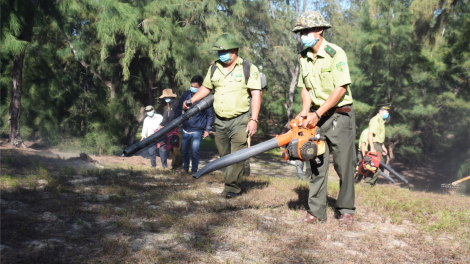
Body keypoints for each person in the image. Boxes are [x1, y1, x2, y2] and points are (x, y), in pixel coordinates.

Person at [292, 10, 356, 226]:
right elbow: (306, 88)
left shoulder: (335, 53)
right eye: (300, 32)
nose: (303, 35)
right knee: (317, 162)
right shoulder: (304, 56)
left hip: (339, 116)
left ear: (319, 30)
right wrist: (305, 111)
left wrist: (318, 114)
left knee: (343, 164)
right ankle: (316, 211)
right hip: (316, 117)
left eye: (307, 31)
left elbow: (340, 89)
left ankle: (346, 208)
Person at [183, 33, 262, 198]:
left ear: (234, 50)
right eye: (219, 52)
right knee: (224, 155)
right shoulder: (214, 67)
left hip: (240, 119)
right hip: (220, 120)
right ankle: (231, 180)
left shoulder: (248, 68)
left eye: (224, 51)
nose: (221, 55)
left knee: (238, 154)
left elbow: (256, 94)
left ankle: (231, 188)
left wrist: (253, 119)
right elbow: (206, 88)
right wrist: (192, 100)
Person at [173, 75, 214, 175]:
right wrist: (174, 122)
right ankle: (185, 167)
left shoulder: (204, 98)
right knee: (184, 150)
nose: (193, 88)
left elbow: (209, 115)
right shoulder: (186, 94)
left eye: (195, 87)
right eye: (191, 86)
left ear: (201, 87)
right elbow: (178, 109)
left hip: (198, 130)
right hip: (186, 128)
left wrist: (207, 129)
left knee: (195, 151)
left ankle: (194, 170)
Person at [244, 72, 268, 176]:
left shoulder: (255, 94)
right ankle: (244, 171)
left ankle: (245, 171)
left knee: (245, 145)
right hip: (244, 118)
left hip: (248, 119)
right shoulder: (251, 95)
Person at [365, 105, 390, 186]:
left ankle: (371, 185)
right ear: (380, 111)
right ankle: (367, 184)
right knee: (374, 166)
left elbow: (379, 136)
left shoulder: (381, 121)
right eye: (386, 111)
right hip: (375, 145)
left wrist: (383, 147)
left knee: (377, 167)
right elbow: (370, 134)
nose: (388, 113)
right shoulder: (376, 120)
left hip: (378, 145)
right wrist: (372, 147)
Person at [158, 89, 182, 170]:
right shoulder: (166, 106)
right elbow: (165, 118)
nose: (165, 99)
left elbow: (176, 117)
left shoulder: (177, 104)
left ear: (170, 96)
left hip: (177, 129)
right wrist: (161, 125)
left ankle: (178, 166)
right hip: (169, 130)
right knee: (171, 148)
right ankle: (174, 166)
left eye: (166, 97)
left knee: (176, 148)